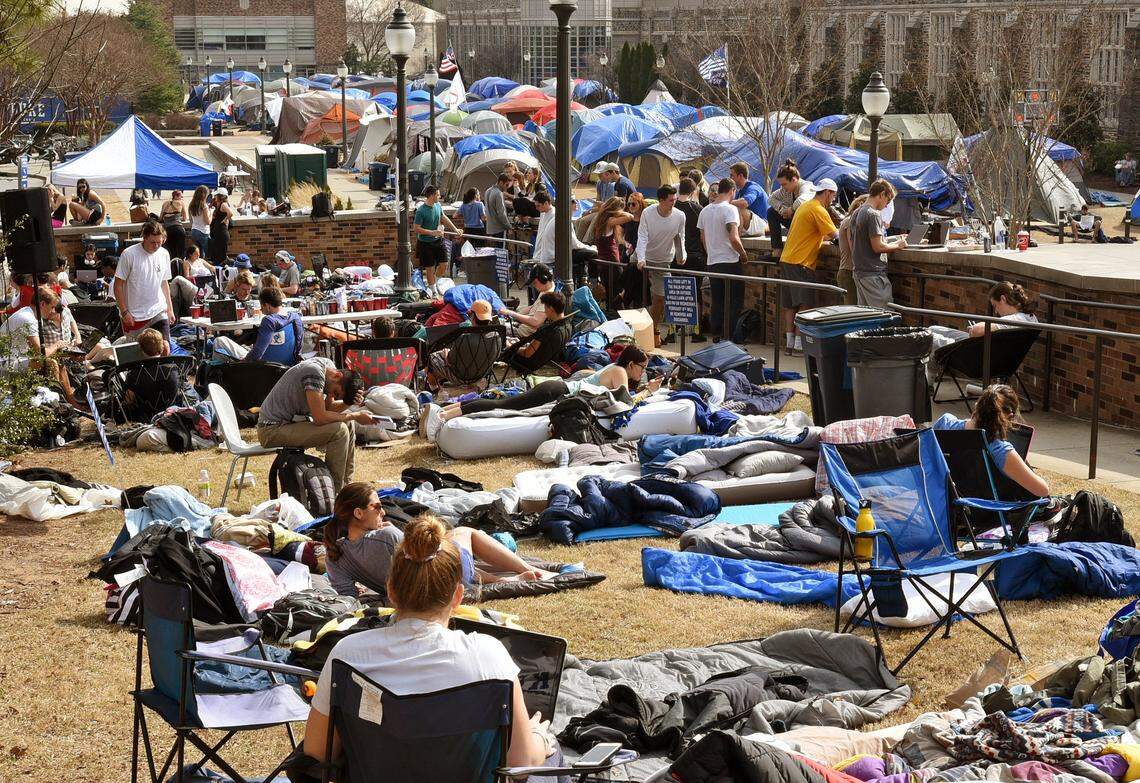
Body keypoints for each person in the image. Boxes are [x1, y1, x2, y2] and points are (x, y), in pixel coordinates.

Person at [302, 511, 557, 773]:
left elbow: (317, 752)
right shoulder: (489, 657)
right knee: (550, 752)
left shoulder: (348, 656)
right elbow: (523, 762)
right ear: (458, 596)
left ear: (391, 590)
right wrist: (539, 737)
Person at [424, 343, 660, 437]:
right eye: (642, 367)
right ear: (631, 364)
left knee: (504, 403)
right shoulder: (620, 372)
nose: (642, 372)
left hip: (556, 388)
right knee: (502, 406)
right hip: (555, 391)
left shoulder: (614, 367)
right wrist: (648, 391)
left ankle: (444, 410)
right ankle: (443, 415)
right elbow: (624, 403)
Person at [256, 358, 370, 491]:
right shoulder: (314, 372)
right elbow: (320, 417)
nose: (331, 395)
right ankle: (334, 492)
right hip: (271, 430)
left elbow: (327, 409)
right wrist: (355, 415)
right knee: (339, 430)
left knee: (348, 423)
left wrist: (348, 402)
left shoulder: (329, 370)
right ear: (337, 375)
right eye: (336, 392)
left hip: (289, 425)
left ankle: (347, 487)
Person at [932, 384, 1049, 497]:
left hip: (945, 504)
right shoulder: (1000, 450)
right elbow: (1042, 491)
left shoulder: (945, 424)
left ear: (977, 406)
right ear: (1010, 416)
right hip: (984, 510)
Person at [779, 178, 839, 354]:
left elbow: (820, 234)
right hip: (802, 262)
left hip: (787, 259)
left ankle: (789, 344)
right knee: (805, 303)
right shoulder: (818, 209)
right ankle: (799, 344)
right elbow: (835, 234)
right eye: (833, 195)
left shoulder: (806, 206)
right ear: (827, 192)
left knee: (790, 304)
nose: (833, 199)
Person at [0, 286, 82, 403]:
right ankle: (57, 404)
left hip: (15, 357)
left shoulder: (29, 314)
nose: (53, 311)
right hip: (6, 361)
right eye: (52, 307)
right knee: (51, 363)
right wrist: (57, 344)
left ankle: (69, 400)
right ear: (42, 304)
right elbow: (41, 354)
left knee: (57, 360)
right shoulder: (28, 319)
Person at [698, 178, 750, 340]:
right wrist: (743, 254)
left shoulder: (705, 210)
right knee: (735, 300)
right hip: (730, 261)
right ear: (732, 191)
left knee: (718, 300)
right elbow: (734, 238)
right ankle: (730, 336)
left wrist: (711, 252)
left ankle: (717, 334)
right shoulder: (730, 210)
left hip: (713, 262)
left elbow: (703, 237)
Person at [636, 184, 687, 347]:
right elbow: (642, 236)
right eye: (671, 200)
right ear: (661, 200)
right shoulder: (648, 213)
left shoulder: (680, 216)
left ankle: (653, 330)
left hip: (664, 261)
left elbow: (680, 238)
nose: (674, 203)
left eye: (675, 199)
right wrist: (641, 258)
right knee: (635, 292)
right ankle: (639, 328)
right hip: (644, 257)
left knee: (660, 298)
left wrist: (682, 255)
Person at [927, 282, 1040, 350]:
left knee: (928, 336)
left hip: (978, 356)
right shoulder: (1031, 318)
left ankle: (929, 380)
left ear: (1003, 299)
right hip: (999, 357)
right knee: (933, 329)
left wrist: (973, 329)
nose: (995, 311)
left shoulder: (1014, 320)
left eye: (995, 305)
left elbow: (977, 330)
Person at [114, 220, 175, 343]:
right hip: (135, 314)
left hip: (158, 310)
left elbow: (164, 283)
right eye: (153, 242)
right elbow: (118, 285)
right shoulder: (129, 254)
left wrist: (170, 308)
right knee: (138, 352)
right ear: (144, 238)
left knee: (165, 347)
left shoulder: (164, 254)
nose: (156, 246)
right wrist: (124, 311)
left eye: (160, 242)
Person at [852, 179, 907, 309]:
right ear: (881, 194)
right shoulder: (873, 214)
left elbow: (865, 241)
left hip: (860, 272)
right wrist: (898, 245)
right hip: (873, 274)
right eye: (888, 200)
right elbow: (878, 247)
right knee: (884, 316)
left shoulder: (857, 212)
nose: (887, 205)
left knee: (866, 319)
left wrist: (894, 239)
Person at [212, 286, 303, 365]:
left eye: (261, 305)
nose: (260, 308)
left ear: (267, 306)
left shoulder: (269, 321)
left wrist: (242, 362)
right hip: (288, 365)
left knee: (219, 341)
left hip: (264, 367)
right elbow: (298, 347)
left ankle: (217, 379)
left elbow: (258, 353)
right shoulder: (295, 317)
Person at [424, 299, 498, 389]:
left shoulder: (464, 337)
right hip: (481, 375)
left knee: (430, 358)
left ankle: (433, 388)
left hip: (460, 377)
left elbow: (450, 362)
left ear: (472, 316)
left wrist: (446, 353)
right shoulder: (496, 336)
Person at [118, 328, 179, 423]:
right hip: (170, 415)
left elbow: (129, 401)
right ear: (162, 347)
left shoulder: (134, 374)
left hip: (143, 419)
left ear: (141, 349)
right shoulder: (173, 368)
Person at [674, 177, 708, 341]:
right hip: (695, 255)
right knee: (696, 293)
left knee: (676, 292)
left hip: (675, 255)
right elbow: (703, 235)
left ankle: (675, 330)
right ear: (694, 191)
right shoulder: (697, 209)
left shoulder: (671, 208)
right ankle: (696, 331)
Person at [531, 192, 597, 273]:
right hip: (553, 258)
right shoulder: (562, 218)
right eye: (573, 201)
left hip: (549, 256)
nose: (576, 203)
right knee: (593, 253)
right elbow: (574, 244)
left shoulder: (557, 216)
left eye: (576, 200)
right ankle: (592, 281)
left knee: (583, 253)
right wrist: (592, 248)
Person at [413, 186, 461, 289]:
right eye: (438, 195)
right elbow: (416, 228)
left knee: (444, 264)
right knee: (429, 268)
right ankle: (433, 289)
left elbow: (443, 217)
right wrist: (432, 232)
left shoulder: (438, 205)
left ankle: (436, 281)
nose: (440, 197)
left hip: (438, 241)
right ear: (432, 195)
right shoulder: (421, 211)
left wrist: (455, 229)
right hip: (425, 243)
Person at [766, 160, 814, 250]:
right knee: (771, 212)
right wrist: (782, 209)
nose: (782, 187)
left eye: (784, 184)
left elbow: (803, 200)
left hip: (810, 227)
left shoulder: (806, 186)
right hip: (797, 224)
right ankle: (777, 250)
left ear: (794, 180)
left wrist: (791, 210)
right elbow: (771, 199)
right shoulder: (785, 190)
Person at [499, 264, 556, 337]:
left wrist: (512, 314)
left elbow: (536, 322)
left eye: (535, 283)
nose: (534, 286)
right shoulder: (546, 288)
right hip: (522, 326)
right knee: (499, 322)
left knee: (494, 330)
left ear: (544, 279)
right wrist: (514, 314)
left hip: (525, 333)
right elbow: (533, 306)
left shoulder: (548, 297)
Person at [836, 194, 870, 306]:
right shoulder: (850, 222)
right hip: (848, 271)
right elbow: (854, 247)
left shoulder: (849, 221)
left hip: (849, 271)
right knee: (852, 311)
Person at [728, 162, 769, 238]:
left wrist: (726, 202)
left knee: (739, 209)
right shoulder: (739, 192)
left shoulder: (753, 188)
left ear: (740, 176)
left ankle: (736, 238)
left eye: (732, 176)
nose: (730, 178)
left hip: (764, 225)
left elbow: (744, 203)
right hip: (752, 224)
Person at [160, 189, 189, 261]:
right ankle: (180, 268)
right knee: (180, 252)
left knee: (170, 252)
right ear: (176, 196)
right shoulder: (181, 203)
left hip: (168, 230)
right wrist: (177, 217)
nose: (182, 198)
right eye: (181, 197)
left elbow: (160, 218)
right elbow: (185, 218)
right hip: (178, 228)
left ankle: (172, 269)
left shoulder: (165, 203)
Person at [208, 187, 233, 266]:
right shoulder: (219, 204)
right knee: (218, 255)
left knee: (221, 256)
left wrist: (225, 220)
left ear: (220, 196)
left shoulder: (223, 204)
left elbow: (230, 213)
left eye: (216, 195)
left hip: (222, 233)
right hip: (219, 232)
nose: (215, 197)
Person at [485, 172, 512, 242]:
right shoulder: (498, 193)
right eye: (506, 185)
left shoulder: (487, 191)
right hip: (499, 228)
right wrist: (509, 227)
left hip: (490, 228)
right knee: (500, 251)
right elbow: (501, 214)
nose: (507, 187)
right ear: (501, 182)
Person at [188, 185, 212, 258]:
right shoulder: (204, 206)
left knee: (196, 254)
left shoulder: (191, 205)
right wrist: (212, 213)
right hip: (203, 232)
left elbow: (191, 221)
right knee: (205, 253)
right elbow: (207, 222)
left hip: (194, 231)